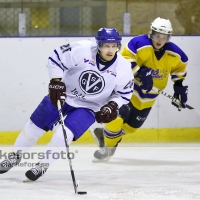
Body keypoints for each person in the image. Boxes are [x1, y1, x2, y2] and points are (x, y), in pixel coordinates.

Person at [0, 28, 134, 181]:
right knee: (34, 127)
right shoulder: (82, 49)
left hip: (90, 107)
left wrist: (112, 105)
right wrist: (56, 80)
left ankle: (43, 165)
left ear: (118, 46)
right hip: (64, 96)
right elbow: (56, 57)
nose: (110, 50)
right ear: (98, 45)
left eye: (114, 46)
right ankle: (15, 156)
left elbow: (123, 94)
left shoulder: (123, 68)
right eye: (106, 46)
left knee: (63, 136)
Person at [91, 17, 189, 162]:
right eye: (157, 36)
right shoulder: (138, 43)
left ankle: (103, 134)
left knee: (131, 128)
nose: (160, 40)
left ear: (169, 37)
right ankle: (107, 150)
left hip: (148, 97)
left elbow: (180, 68)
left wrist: (179, 87)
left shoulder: (176, 54)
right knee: (116, 117)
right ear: (151, 33)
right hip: (127, 89)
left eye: (164, 37)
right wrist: (140, 71)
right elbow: (123, 59)